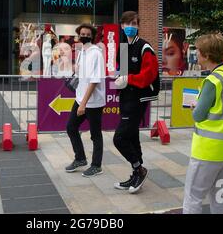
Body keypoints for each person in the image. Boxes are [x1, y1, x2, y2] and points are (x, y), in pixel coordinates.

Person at [183, 33, 223, 214]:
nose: (197, 55)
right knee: (220, 195)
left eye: (198, 51)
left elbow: (199, 116)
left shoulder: (212, 81)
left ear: (207, 55)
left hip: (208, 149)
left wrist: (196, 106)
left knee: (193, 197)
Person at [113, 11, 160, 194]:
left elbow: (150, 75)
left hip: (139, 97)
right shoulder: (123, 46)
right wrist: (119, 78)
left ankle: (139, 169)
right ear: (122, 26)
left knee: (120, 138)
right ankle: (136, 173)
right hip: (126, 96)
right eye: (127, 23)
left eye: (134, 23)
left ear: (138, 25)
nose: (130, 26)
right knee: (131, 136)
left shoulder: (145, 47)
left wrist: (128, 79)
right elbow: (122, 72)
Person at [65, 24, 106, 177]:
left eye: (88, 34)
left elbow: (94, 81)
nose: (84, 36)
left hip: (93, 102)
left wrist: (83, 104)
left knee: (95, 134)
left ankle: (96, 165)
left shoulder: (96, 53)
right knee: (71, 127)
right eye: (82, 33)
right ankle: (80, 158)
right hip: (80, 97)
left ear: (93, 35)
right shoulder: (82, 51)